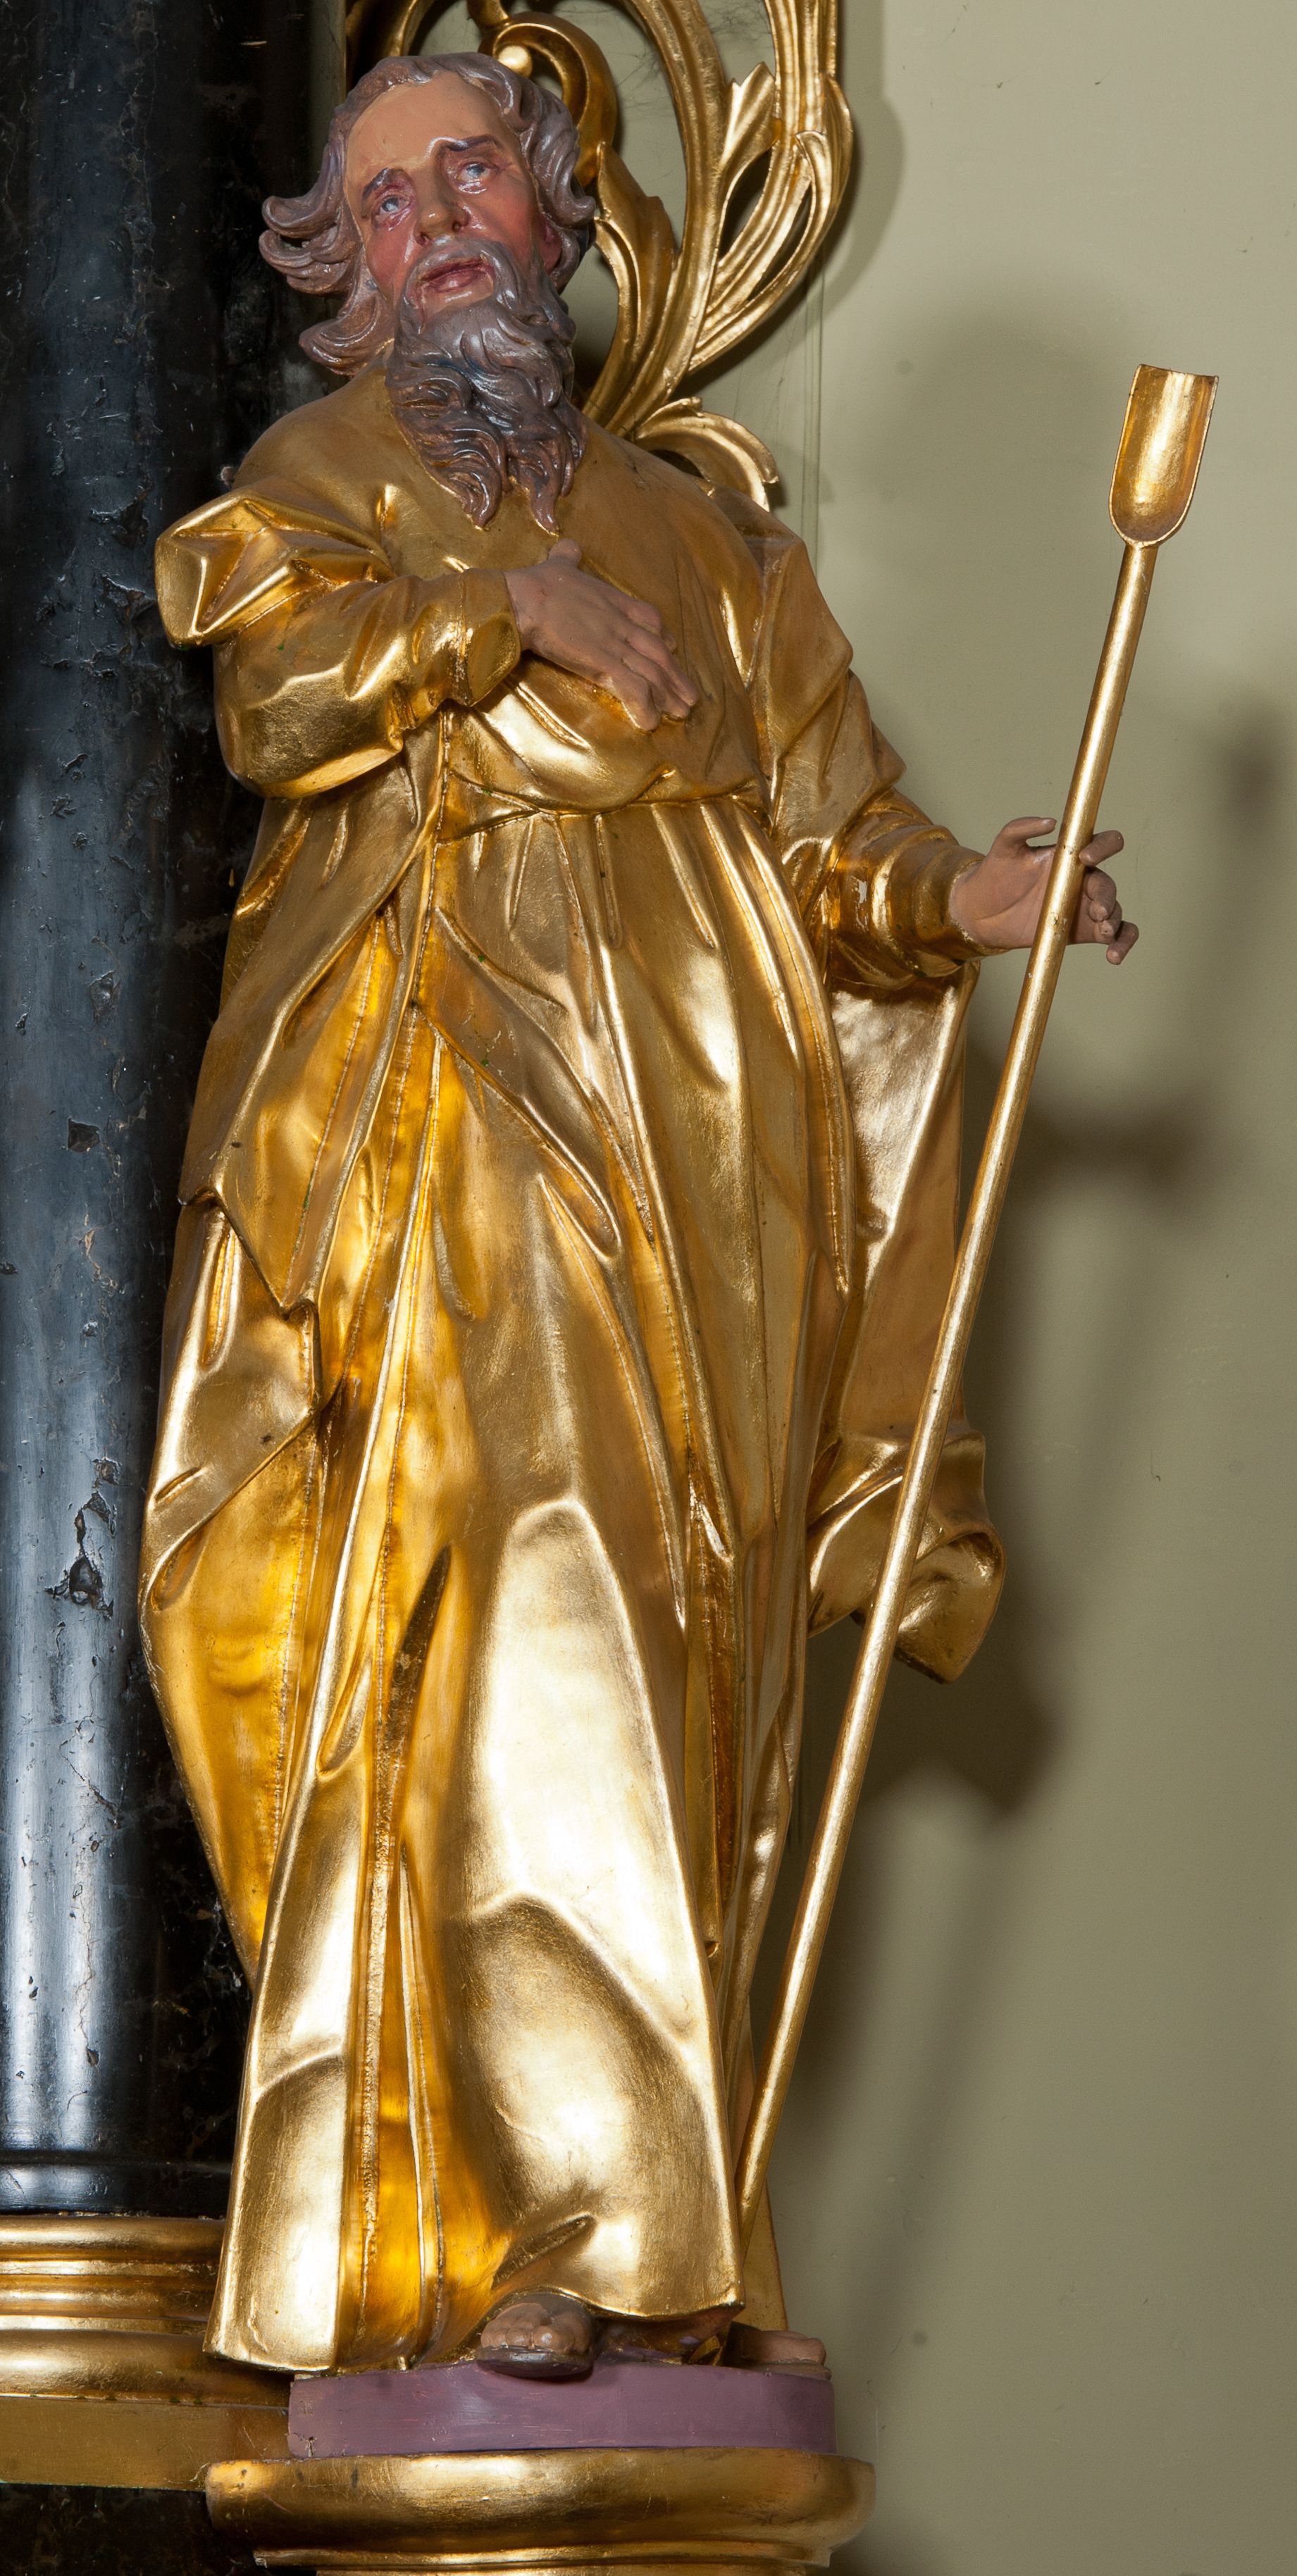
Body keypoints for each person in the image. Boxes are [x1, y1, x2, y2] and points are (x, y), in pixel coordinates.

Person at [139, 51, 1134, 2382]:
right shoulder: (318, 480)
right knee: (503, 1607)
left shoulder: (719, 546)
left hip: (713, 1170)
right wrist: (503, 611)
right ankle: (543, 2230)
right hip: (442, 1127)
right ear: (345, 272)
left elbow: (831, 838)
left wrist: (961, 896)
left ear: (556, 210)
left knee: (678, 1661)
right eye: (384, 204)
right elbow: (276, 704)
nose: (434, 226)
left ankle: (647, 2236)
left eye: (468, 175)